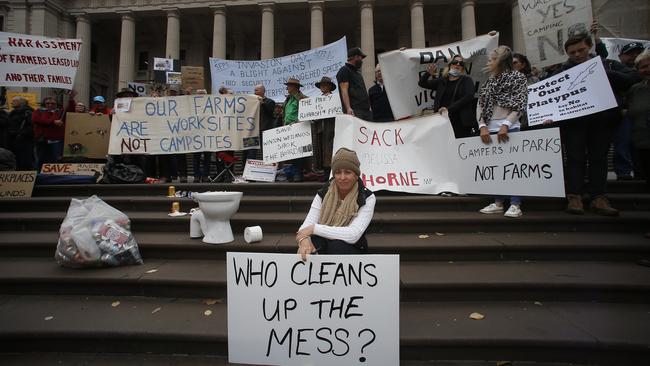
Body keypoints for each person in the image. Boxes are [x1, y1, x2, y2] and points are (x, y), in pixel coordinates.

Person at [554, 33, 639, 216]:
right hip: (574, 124)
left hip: (602, 121)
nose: (577, 55)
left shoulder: (607, 65)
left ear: (589, 47)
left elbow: (632, 79)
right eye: (572, 52)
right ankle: (574, 196)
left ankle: (598, 197)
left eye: (581, 50)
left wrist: (601, 72)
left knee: (598, 158)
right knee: (575, 159)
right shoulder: (562, 72)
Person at [296, 148, 375, 260]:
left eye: (347, 172)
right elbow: (306, 226)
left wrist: (314, 229)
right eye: (338, 172)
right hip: (324, 243)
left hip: (351, 249)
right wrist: (304, 241)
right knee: (307, 247)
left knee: (337, 246)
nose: (342, 177)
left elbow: (353, 234)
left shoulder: (367, 197)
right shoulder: (323, 193)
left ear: (356, 175)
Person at [477, 46, 528, 218]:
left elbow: (520, 104)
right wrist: (482, 126)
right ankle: (498, 202)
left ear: (500, 61)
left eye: (492, 60)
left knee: (513, 167)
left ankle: (515, 203)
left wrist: (506, 124)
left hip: (510, 128)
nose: (489, 63)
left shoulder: (518, 78)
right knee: (496, 168)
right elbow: (480, 105)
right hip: (489, 129)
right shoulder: (489, 81)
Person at [418, 55, 477, 138]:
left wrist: (448, 109)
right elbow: (422, 83)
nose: (457, 64)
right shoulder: (442, 81)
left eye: (461, 63)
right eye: (455, 62)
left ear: (463, 68)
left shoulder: (466, 80)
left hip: (460, 123)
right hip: (442, 122)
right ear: (450, 65)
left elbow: (469, 96)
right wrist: (428, 74)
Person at [614, 42, 646, 180]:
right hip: (622, 116)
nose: (634, 56)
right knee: (623, 144)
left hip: (642, 120)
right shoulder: (614, 68)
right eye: (630, 53)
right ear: (620, 56)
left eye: (637, 53)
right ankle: (624, 173)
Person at [627, 49, 650, 190]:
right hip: (643, 144)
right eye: (643, 67)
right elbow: (629, 110)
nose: (648, 69)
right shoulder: (635, 90)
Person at [282, 78, 308, 182]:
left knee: (299, 153)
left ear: (295, 87)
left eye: (289, 85)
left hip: (299, 128)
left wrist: (297, 121)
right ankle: (294, 173)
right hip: (288, 129)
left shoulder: (302, 98)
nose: (287, 87)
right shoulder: (288, 99)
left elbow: (307, 112)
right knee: (292, 152)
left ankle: (298, 174)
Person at [337, 47, 372, 121]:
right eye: (361, 58)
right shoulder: (344, 70)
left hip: (365, 110)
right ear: (356, 57)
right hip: (355, 110)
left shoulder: (358, 73)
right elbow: (344, 90)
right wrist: (348, 108)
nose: (362, 60)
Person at [313, 76, 337, 178]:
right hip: (319, 128)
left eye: (325, 85)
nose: (323, 87)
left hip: (330, 128)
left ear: (329, 87)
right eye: (321, 85)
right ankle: (323, 172)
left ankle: (329, 173)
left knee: (329, 150)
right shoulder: (317, 100)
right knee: (321, 150)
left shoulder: (334, 99)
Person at [32, 97, 65, 169]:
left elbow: (69, 109)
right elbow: (39, 120)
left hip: (55, 140)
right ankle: (39, 176)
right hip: (42, 140)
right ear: (44, 104)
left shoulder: (59, 112)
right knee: (40, 159)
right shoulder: (38, 111)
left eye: (53, 103)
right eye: (48, 103)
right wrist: (53, 121)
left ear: (56, 104)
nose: (50, 105)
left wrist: (71, 98)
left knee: (54, 160)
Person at [2, 96, 34, 170]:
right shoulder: (12, 113)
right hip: (12, 140)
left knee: (24, 160)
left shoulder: (28, 112)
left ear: (21, 102)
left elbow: (31, 127)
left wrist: (20, 134)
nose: (11, 102)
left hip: (23, 141)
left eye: (14, 101)